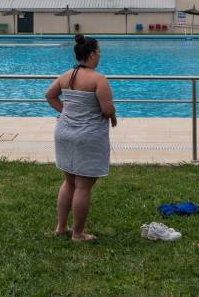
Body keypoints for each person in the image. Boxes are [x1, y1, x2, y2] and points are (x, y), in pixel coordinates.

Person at [45, 34, 117, 242]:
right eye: (99, 52)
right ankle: (77, 233)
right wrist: (113, 113)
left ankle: (61, 227)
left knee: (69, 182)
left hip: (65, 132)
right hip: (87, 136)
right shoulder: (98, 79)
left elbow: (49, 95)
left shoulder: (66, 75)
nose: (100, 56)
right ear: (92, 54)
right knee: (83, 186)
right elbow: (106, 109)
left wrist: (66, 111)